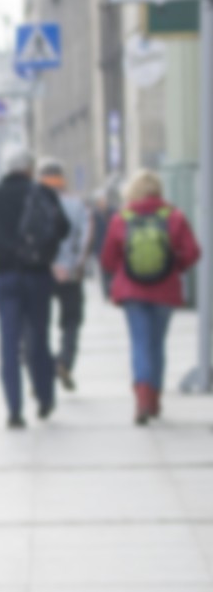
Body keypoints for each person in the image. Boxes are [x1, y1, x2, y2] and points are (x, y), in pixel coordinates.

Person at [0, 146, 71, 427]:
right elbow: (63, 229)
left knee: (9, 343)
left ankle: (14, 409)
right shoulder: (43, 194)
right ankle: (46, 398)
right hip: (38, 275)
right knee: (38, 337)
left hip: (5, 277)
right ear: (29, 168)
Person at [99, 169, 202, 425]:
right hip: (165, 290)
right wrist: (174, 267)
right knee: (157, 344)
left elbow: (108, 259)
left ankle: (142, 397)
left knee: (140, 343)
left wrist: (123, 270)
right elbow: (193, 252)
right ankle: (154, 398)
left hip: (132, 291)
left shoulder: (122, 218)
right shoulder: (174, 216)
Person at [37, 158, 90, 390]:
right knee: (71, 321)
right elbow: (86, 237)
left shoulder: (34, 204)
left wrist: (47, 265)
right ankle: (65, 362)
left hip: (41, 273)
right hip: (70, 273)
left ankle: (41, 371)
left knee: (39, 324)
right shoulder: (76, 205)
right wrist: (76, 266)